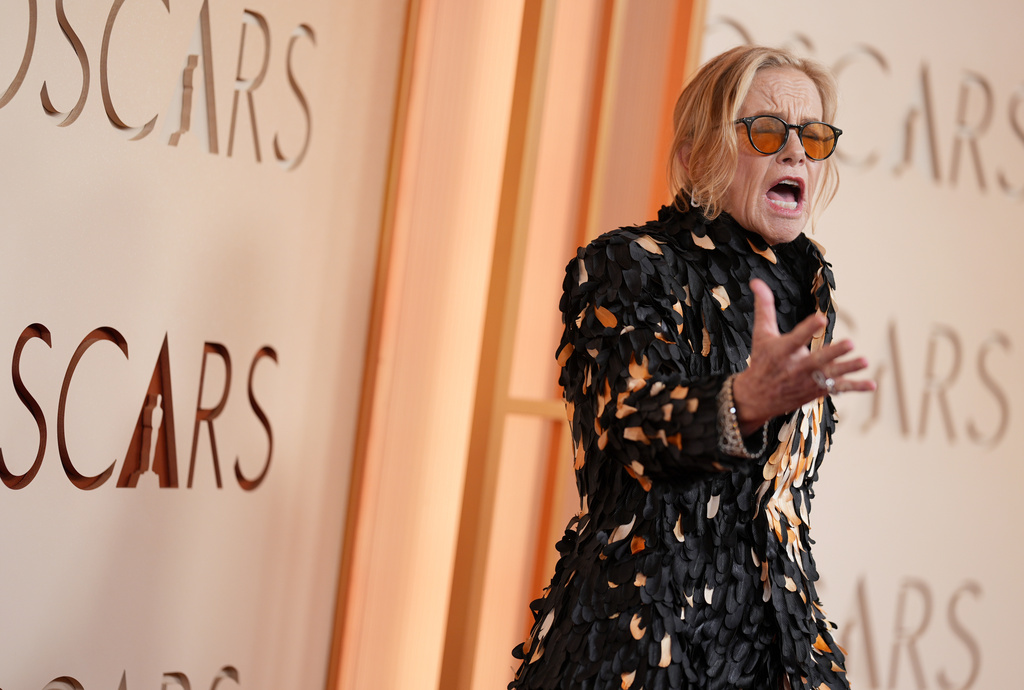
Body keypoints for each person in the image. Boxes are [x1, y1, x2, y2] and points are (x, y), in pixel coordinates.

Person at [509, 45, 876, 690]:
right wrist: (740, 404)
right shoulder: (628, 265)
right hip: (647, 645)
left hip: (777, 652)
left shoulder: (806, 293)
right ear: (699, 151)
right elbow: (630, 428)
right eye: (767, 131)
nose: (796, 153)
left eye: (813, 138)